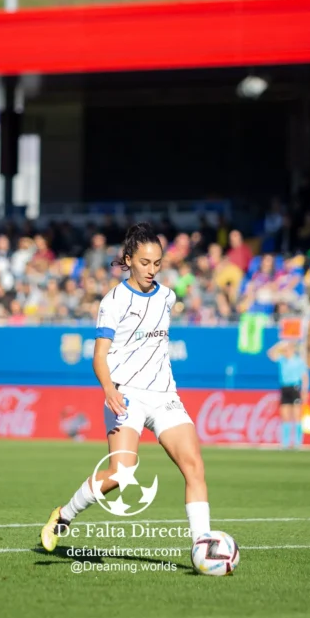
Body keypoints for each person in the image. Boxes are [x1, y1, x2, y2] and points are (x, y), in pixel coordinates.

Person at [40, 223, 212, 552]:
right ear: (129, 260)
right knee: (121, 473)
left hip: (164, 396)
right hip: (125, 395)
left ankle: (203, 546)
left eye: (157, 263)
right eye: (145, 262)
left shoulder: (167, 297)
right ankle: (64, 515)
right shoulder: (114, 301)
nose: (152, 269)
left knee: (194, 465)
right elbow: (99, 356)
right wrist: (108, 389)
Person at [267, 338, 309, 450]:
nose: (285, 352)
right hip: (284, 387)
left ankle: (297, 442)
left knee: (296, 415)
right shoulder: (282, 360)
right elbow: (270, 353)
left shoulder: (298, 361)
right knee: (285, 416)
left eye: (287, 349)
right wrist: (280, 344)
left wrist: (305, 391)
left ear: (292, 350)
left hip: (294, 387)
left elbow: (305, 377)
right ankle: (285, 442)